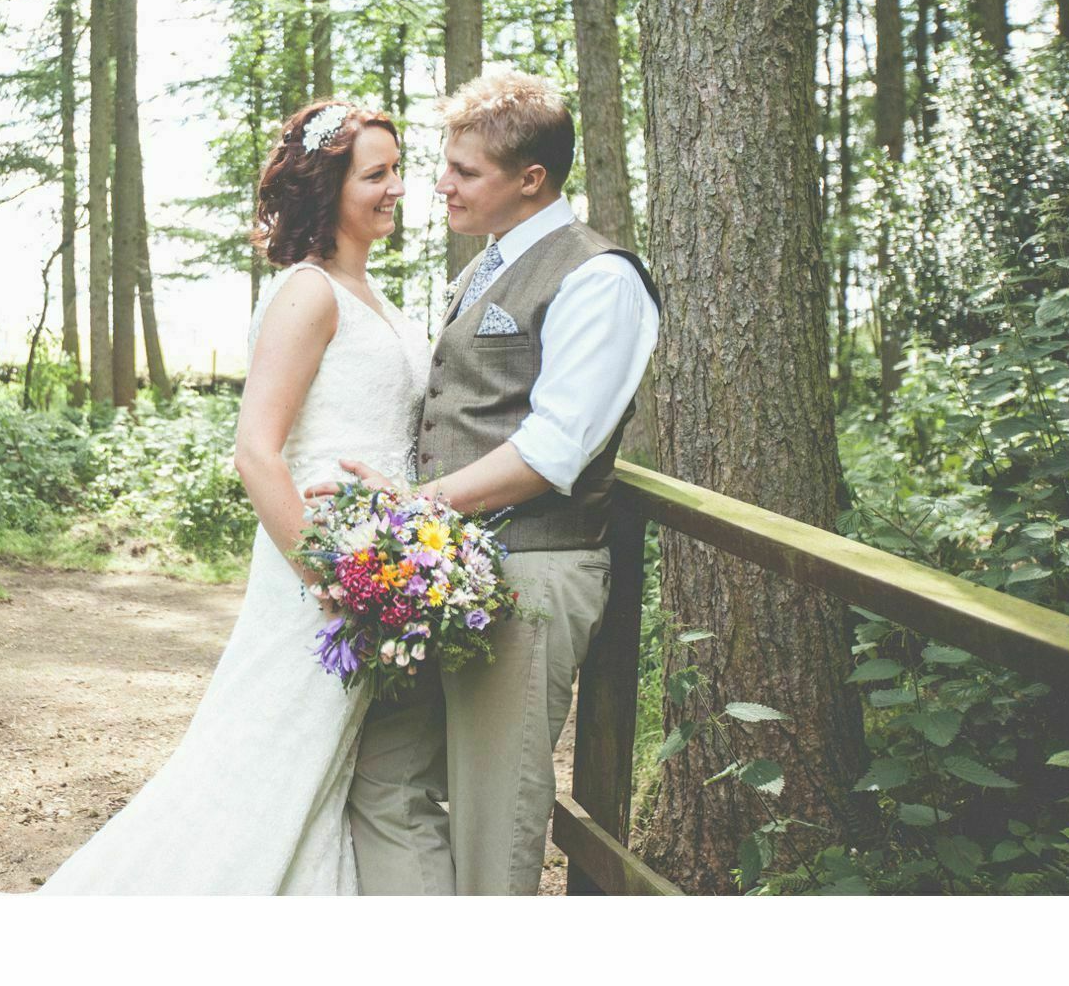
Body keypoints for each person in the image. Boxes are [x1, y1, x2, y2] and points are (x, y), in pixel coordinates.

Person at [37, 100, 430, 894]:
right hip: (317, 578)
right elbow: (256, 452)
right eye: (376, 174)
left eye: (398, 170)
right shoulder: (308, 293)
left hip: (372, 572)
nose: (396, 189)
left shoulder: (374, 297)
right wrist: (328, 579)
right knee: (260, 757)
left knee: (316, 775)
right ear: (328, 186)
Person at [320, 67, 659, 896]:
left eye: (464, 170)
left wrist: (412, 507)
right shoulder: (480, 270)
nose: (438, 184)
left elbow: (553, 450)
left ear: (530, 178)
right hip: (445, 573)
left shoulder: (600, 277)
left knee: (494, 808)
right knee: (385, 776)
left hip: (534, 573)